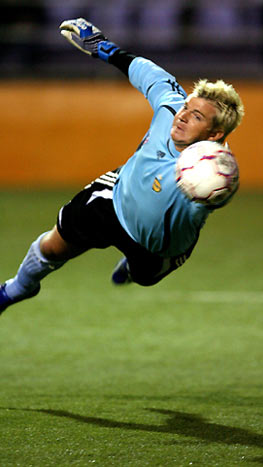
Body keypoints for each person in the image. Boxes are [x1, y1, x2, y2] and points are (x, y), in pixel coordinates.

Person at [0, 18, 244, 314]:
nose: (182, 116)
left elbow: (210, 199)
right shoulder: (171, 105)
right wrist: (104, 48)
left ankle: (131, 267)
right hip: (113, 201)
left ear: (215, 134)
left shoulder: (213, 173)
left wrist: (217, 194)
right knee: (53, 247)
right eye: (186, 108)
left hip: (159, 244)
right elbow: (146, 73)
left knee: (144, 279)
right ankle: (17, 288)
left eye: (196, 117)